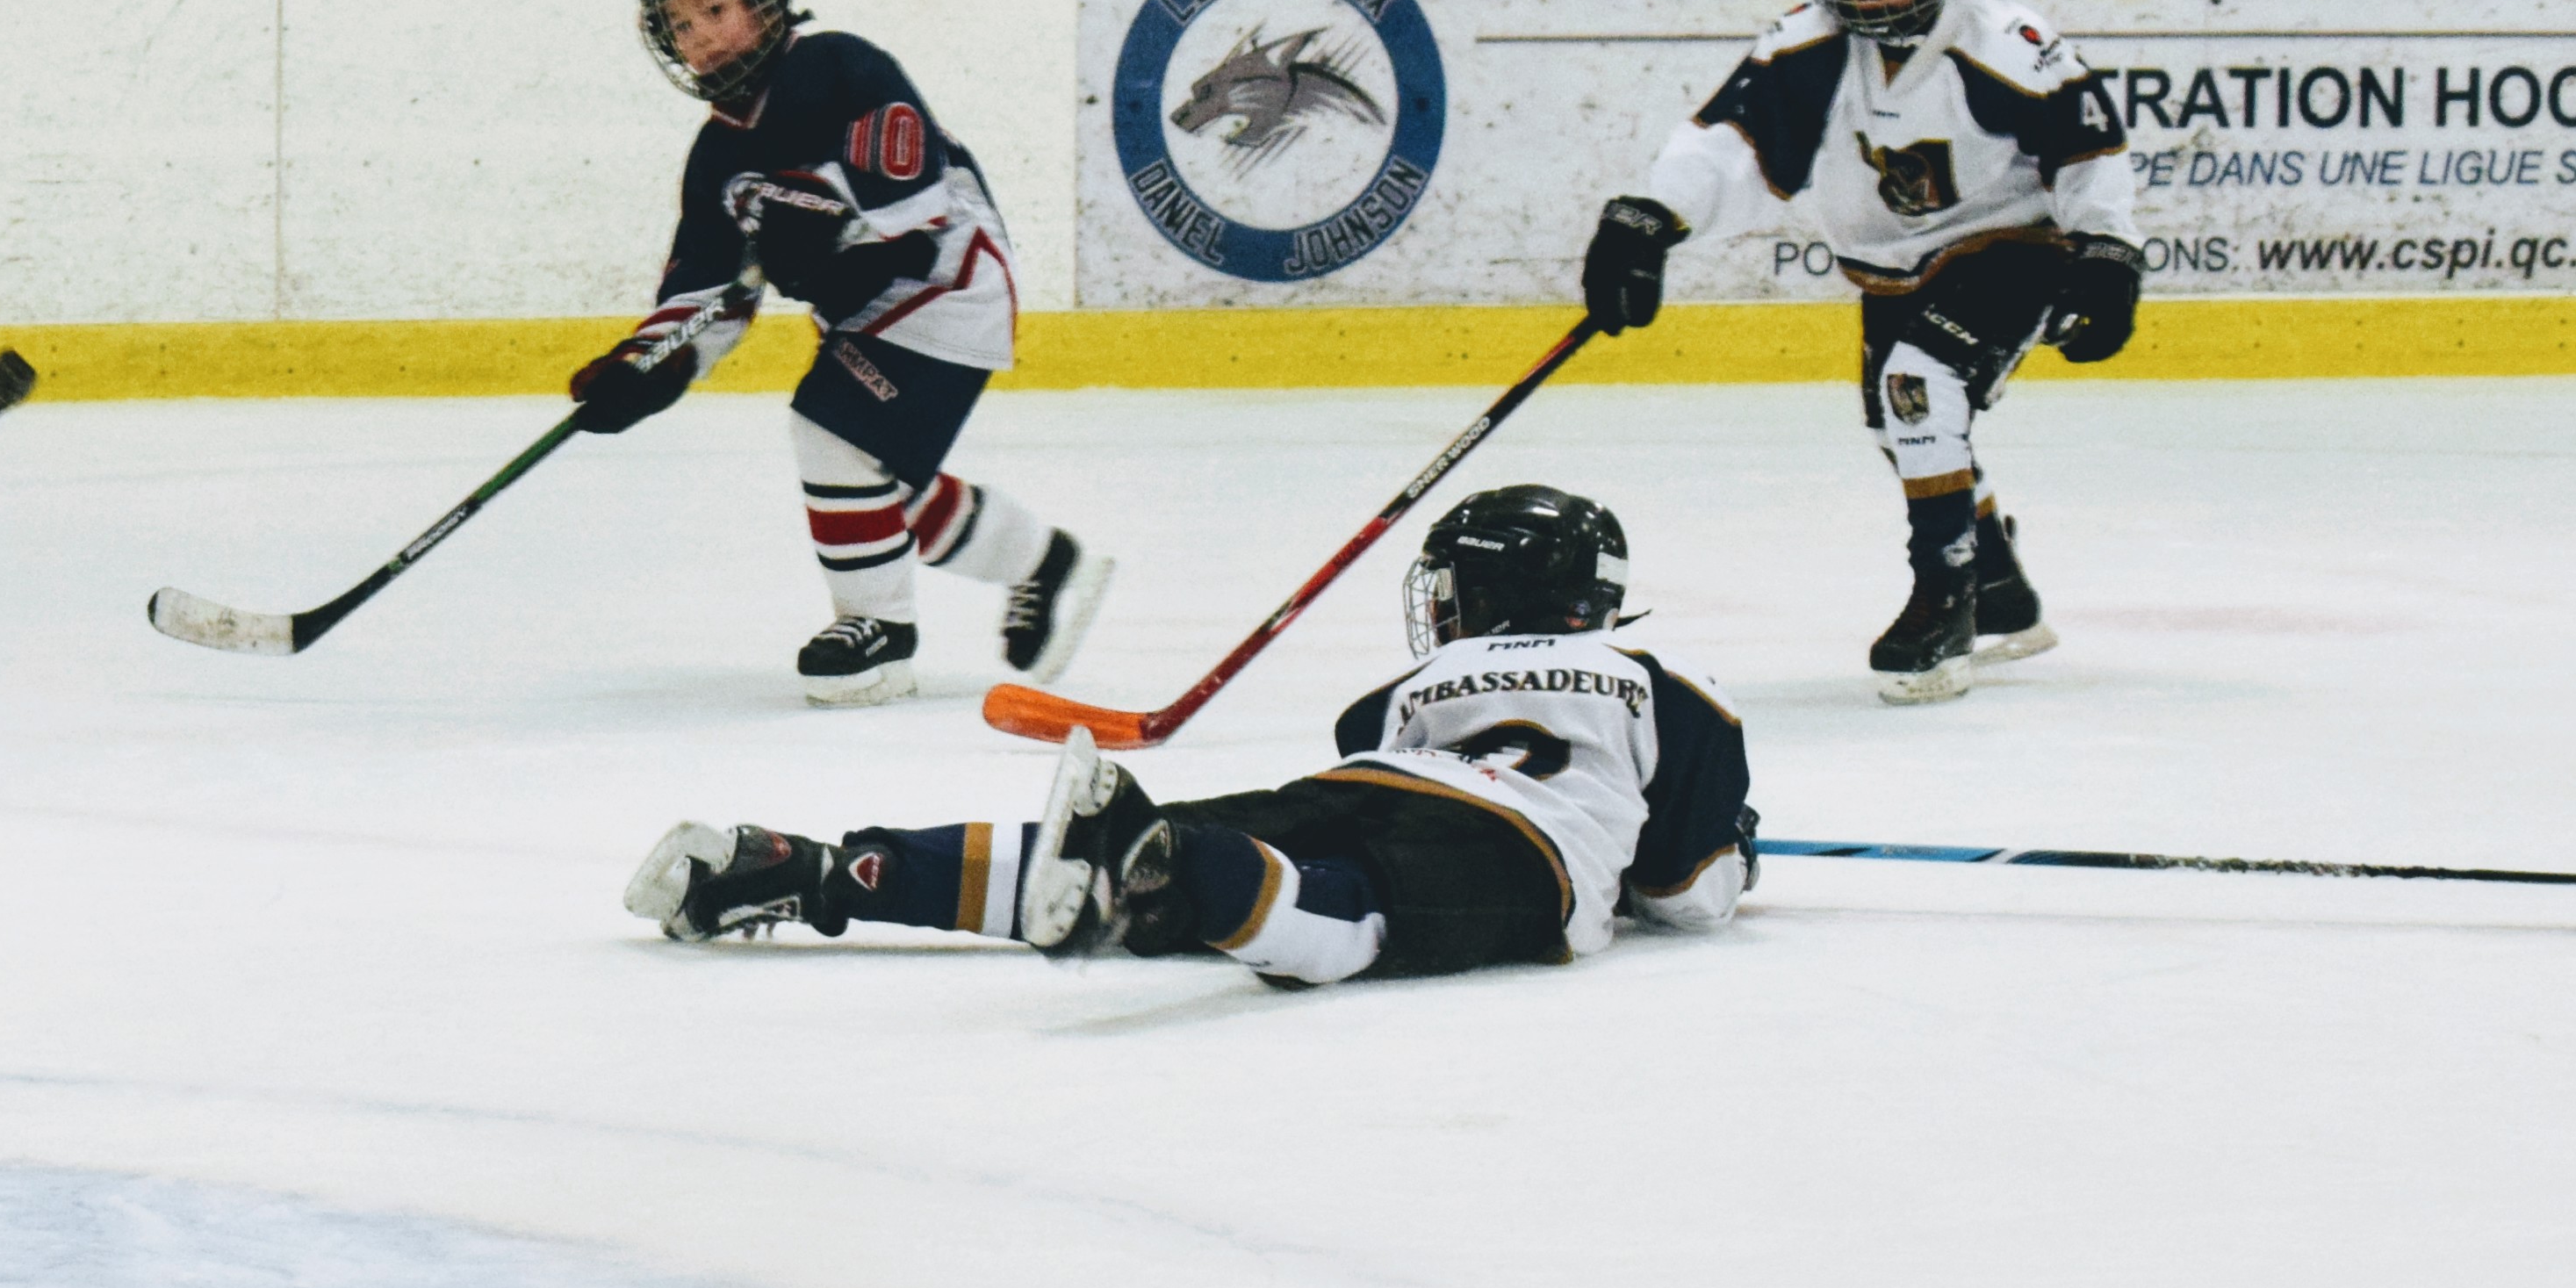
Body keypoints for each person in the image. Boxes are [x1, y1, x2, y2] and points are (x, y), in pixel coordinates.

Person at [623, 486, 1753, 987]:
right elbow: (1682, 895)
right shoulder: (1663, 684)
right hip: (1519, 846)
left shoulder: (1403, 691)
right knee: (1352, 917)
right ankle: (1194, 869)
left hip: (1362, 778)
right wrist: (1733, 850)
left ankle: (814, 870)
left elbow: (1379, 753)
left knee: (1098, 873)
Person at [1574, 0, 2142, 701]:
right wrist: (1653, 216)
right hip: (1891, 267)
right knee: (1897, 424)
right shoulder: (1808, 44)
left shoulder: (2006, 44)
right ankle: (1999, 588)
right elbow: (1732, 144)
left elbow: (2087, 147)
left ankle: (1945, 595)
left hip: (2012, 247)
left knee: (1917, 387)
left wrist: (2107, 252)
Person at [566, 0, 1111, 704]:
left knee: (829, 433)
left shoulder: (838, 65)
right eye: (681, 25)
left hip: (945, 282)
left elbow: (912, 192)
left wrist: (818, 208)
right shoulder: (715, 156)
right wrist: (647, 366)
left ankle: (880, 633)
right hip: (867, 312)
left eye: (715, 8)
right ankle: (1045, 563)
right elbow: (707, 291)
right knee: (875, 487)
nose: (702, 36)